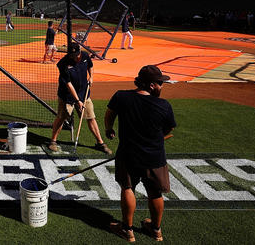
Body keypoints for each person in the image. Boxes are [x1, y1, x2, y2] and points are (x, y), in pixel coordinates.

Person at [104, 65, 176, 243]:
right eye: (160, 83)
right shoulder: (164, 105)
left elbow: (109, 114)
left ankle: (128, 230)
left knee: (127, 188)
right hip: (155, 158)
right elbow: (169, 129)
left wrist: (109, 129)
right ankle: (156, 230)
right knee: (155, 192)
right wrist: (157, 139)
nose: (162, 86)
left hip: (128, 155)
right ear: (152, 85)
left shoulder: (121, 96)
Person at [48, 44, 112, 154]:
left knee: (91, 117)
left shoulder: (85, 56)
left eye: (77, 55)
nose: (75, 58)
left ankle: (100, 143)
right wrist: (77, 101)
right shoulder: (63, 63)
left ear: (80, 52)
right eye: (73, 55)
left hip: (84, 93)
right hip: (67, 96)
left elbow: (90, 66)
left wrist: (91, 77)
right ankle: (53, 141)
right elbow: (68, 84)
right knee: (62, 117)